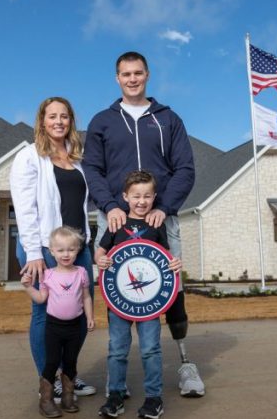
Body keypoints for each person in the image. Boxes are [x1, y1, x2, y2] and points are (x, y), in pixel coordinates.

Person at [83, 51, 205, 398]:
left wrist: (164, 208)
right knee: (120, 292)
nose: (132, 79)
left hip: (159, 217)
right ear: (117, 78)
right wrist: (109, 205)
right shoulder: (102, 121)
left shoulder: (168, 119)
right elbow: (92, 169)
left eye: (138, 73)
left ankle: (185, 364)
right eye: (126, 74)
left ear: (147, 75)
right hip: (117, 219)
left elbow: (185, 168)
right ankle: (118, 378)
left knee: (171, 288)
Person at [10, 96, 97, 403]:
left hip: (80, 247)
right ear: (42, 121)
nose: (59, 121)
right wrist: (34, 252)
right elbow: (25, 209)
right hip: (44, 249)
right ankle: (50, 381)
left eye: (64, 116)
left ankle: (68, 375)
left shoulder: (77, 157)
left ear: (71, 120)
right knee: (44, 315)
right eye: (52, 116)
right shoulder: (29, 156)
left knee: (81, 310)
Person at [95, 171, 182, 419]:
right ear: (125, 196)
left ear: (154, 197)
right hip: (119, 300)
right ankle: (115, 396)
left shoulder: (157, 225)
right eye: (136, 196)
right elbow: (99, 253)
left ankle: (154, 398)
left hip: (149, 303)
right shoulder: (116, 223)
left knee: (150, 350)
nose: (141, 201)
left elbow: (166, 258)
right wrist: (101, 259)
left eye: (146, 196)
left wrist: (175, 264)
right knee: (117, 350)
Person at [21, 226, 95, 418]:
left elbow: (86, 297)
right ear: (51, 251)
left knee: (71, 362)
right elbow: (40, 299)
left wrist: (90, 317)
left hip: (74, 327)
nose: (66, 254)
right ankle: (46, 400)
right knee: (52, 362)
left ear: (78, 249)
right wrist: (29, 287)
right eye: (60, 250)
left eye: (71, 249)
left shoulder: (81, 272)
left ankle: (68, 398)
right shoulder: (48, 275)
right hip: (53, 327)